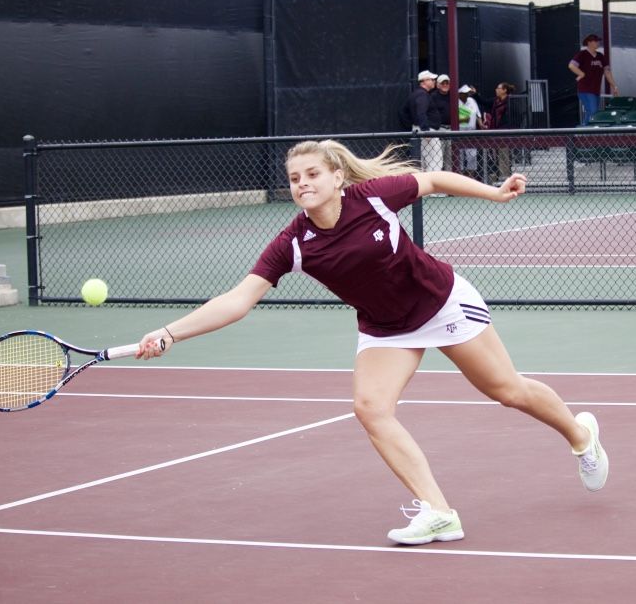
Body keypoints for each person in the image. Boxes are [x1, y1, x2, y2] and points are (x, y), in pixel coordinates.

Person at [134, 141, 609, 545]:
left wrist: (494, 193)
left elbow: (434, 180)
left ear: (336, 176)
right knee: (370, 407)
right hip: (386, 328)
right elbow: (239, 300)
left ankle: (580, 435)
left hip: (440, 302)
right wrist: (171, 331)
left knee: (507, 391)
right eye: (295, 178)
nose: (303, 183)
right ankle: (438, 511)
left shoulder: (373, 197)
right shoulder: (293, 244)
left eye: (313, 174)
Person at [568, 34, 619, 125]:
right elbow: (571, 65)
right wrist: (581, 73)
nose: (598, 43)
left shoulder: (600, 56)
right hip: (585, 89)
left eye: (598, 41)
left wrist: (613, 85)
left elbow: (607, 72)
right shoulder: (582, 54)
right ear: (589, 42)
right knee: (593, 111)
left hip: (596, 90)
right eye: (596, 41)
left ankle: (584, 130)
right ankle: (586, 131)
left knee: (591, 112)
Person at [489, 82, 515, 182]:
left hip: (505, 132)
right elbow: (485, 102)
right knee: (496, 155)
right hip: (495, 132)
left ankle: (506, 176)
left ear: (504, 90)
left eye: (498, 88)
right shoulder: (496, 101)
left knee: (504, 153)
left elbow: (513, 116)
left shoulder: (510, 101)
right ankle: (501, 175)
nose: (496, 90)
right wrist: (475, 94)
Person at [456, 84, 481, 176]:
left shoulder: (472, 101)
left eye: (468, 93)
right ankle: (460, 175)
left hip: (471, 131)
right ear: (459, 94)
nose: (467, 94)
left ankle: (471, 176)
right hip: (459, 132)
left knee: (472, 155)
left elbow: (478, 114)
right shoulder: (456, 102)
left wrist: (481, 125)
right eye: (464, 93)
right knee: (460, 155)